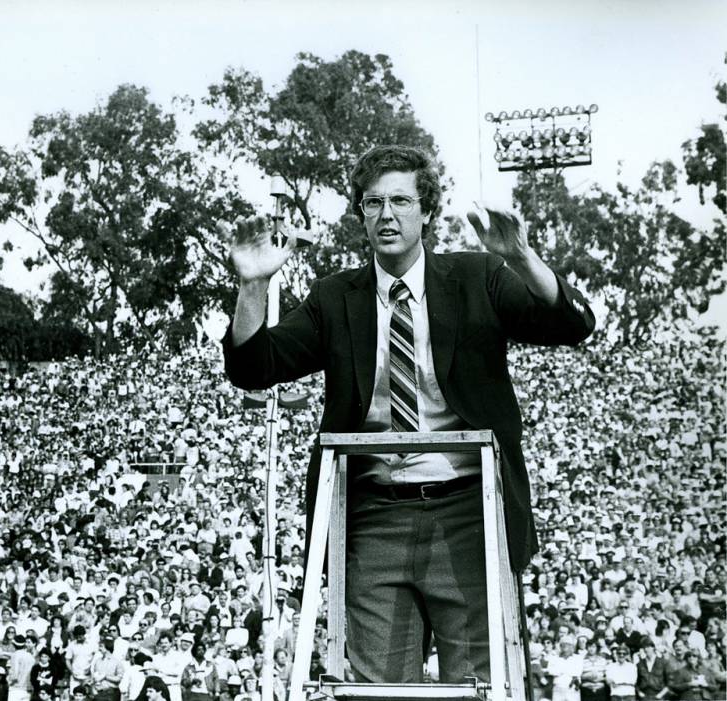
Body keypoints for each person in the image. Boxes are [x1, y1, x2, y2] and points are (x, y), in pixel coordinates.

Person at [222, 144, 595, 683]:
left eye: (400, 200)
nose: (387, 215)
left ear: (427, 211)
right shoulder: (335, 297)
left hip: (470, 513)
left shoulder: (478, 279)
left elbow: (570, 326)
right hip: (373, 517)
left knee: (480, 686)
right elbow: (254, 367)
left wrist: (522, 259)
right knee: (382, 691)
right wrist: (252, 283)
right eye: (372, 204)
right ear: (361, 216)